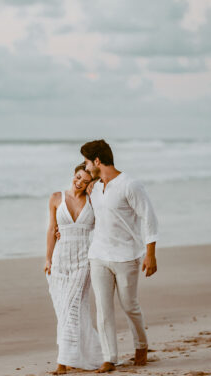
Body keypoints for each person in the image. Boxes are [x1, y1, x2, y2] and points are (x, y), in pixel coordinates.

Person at [80, 139, 159, 373]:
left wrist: (150, 254)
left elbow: (149, 218)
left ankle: (141, 345)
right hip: (98, 255)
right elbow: (92, 218)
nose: (85, 168)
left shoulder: (130, 184)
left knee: (129, 306)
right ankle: (109, 357)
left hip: (127, 256)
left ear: (97, 160)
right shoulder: (94, 187)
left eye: (87, 162)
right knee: (103, 309)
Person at [45, 163, 103, 374]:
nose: (79, 183)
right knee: (66, 311)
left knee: (71, 307)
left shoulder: (93, 202)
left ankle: (62, 362)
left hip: (83, 261)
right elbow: (52, 229)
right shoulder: (55, 198)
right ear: (74, 174)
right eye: (78, 178)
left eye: (85, 181)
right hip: (60, 261)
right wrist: (48, 259)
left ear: (91, 184)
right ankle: (85, 355)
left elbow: (104, 227)